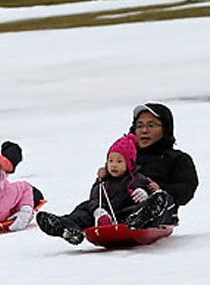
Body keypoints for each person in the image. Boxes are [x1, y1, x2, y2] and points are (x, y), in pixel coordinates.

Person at [36, 102, 198, 245]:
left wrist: (159, 188)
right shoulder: (126, 155)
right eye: (140, 125)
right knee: (88, 206)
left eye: (151, 125)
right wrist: (105, 177)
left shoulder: (177, 159)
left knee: (162, 199)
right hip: (118, 206)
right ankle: (67, 226)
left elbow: (186, 189)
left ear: (165, 129)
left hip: (154, 206)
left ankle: (142, 215)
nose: (144, 130)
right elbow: (103, 189)